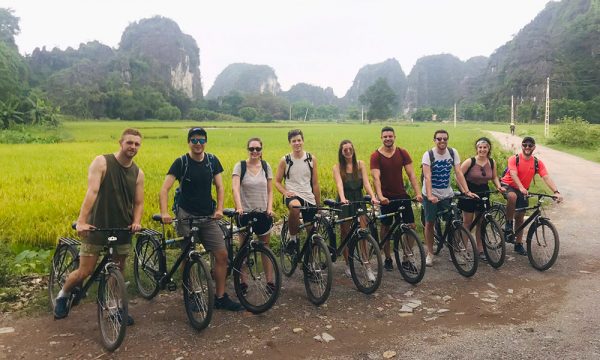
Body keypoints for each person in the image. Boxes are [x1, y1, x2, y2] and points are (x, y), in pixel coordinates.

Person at [54, 128, 145, 325]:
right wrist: (81, 221)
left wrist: (136, 221)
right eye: (129, 142)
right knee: (84, 272)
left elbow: (138, 202)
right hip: (96, 226)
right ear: (121, 142)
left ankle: (113, 308)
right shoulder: (102, 162)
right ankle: (62, 294)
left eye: (137, 144)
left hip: (122, 228)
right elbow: (92, 191)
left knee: (117, 270)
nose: (133, 147)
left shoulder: (138, 173)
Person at [159, 127, 243, 311]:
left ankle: (220, 297)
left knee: (221, 255)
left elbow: (220, 187)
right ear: (189, 142)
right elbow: (164, 189)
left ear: (205, 142)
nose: (198, 144)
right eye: (194, 140)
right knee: (188, 257)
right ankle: (192, 294)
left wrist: (219, 209)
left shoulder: (212, 161)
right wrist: (165, 212)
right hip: (186, 215)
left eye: (201, 140)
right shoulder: (181, 162)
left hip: (207, 215)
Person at [422, 129, 477, 267]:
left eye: (445, 139)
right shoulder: (428, 155)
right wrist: (429, 195)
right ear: (434, 140)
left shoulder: (452, 152)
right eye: (439, 139)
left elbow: (458, 172)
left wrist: (466, 191)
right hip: (431, 194)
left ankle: (455, 250)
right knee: (430, 223)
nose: (442, 141)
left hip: (446, 194)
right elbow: (427, 177)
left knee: (453, 222)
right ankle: (430, 253)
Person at [370, 126, 422, 271]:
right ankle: (387, 257)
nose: (388, 139)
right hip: (386, 198)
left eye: (390, 136)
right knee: (385, 228)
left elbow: (411, 175)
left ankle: (406, 258)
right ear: (381, 138)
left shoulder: (402, 152)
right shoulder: (376, 156)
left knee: (411, 226)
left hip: (401, 195)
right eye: (385, 136)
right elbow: (376, 178)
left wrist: (418, 193)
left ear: (394, 137)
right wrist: (380, 196)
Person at [500, 136, 563, 256]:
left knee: (520, 216)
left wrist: (556, 191)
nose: (527, 147)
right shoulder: (514, 158)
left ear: (534, 147)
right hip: (508, 185)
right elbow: (513, 174)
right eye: (525, 145)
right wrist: (521, 187)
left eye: (530, 145)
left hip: (523, 189)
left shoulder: (537, 162)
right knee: (512, 197)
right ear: (521, 146)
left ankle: (518, 244)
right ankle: (508, 224)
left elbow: (546, 177)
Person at [232, 137, 275, 292]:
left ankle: (270, 282)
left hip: (263, 212)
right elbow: (235, 188)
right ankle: (243, 282)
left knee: (265, 247)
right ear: (248, 150)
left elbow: (270, 190)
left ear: (261, 150)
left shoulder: (266, 166)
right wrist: (239, 207)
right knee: (243, 248)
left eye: (257, 149)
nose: (255, 152)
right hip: (245, 213)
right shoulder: (240, 166)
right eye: (252, 149)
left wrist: (269, 208)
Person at [333, 139, 379, 279]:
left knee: (363, 232)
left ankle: (367, 265)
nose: (348, 151)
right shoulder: (337, 167)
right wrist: (342, 198)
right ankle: (348, 263)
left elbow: (366, 182)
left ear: (353, 149)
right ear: (341, 152)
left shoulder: (360, 165)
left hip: (358, 200)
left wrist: (372, 197)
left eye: (350, 149)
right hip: (345, 201)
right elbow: (339, 184)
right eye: (345, 149)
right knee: (345, 233)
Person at [457, 137, 505, 261]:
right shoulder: (470, 161)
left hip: (483, 192)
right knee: (467, 222)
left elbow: (494, 177)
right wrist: (465, 191)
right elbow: (458, 176)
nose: (482, 150)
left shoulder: (492, 162)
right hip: (469, 192)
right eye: (480, 147)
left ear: (488, 149)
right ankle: (463, 249)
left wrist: (499, 186)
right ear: (476, 148)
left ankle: (480, 249)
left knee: (481, 222)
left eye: (485, 147)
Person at [275, 129, 320, 254]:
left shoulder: (311, 159)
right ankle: (293, 239)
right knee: (295, 207)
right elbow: (277, 181)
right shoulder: (285, 160)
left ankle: (311, 265)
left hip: (308, 196)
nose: (297, 143)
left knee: (312, 234)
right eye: (294, 141)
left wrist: (318, 204)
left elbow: (315, 183)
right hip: (293, 195)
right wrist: (285, 192)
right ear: (290, 143)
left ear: (303, 141)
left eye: (299, 140)